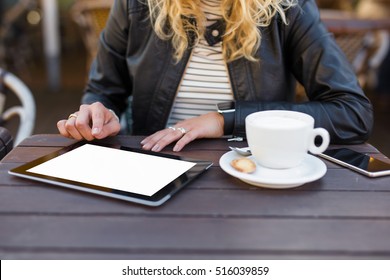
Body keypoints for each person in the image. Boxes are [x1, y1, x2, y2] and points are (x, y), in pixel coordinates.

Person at [57, 0, 373, 152]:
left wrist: (225, 120)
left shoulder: (289, 8)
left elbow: (352, 112)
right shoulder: (136, 5)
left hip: (253, 168)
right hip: (155, 166)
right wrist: (98, 115)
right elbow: (103, 90)